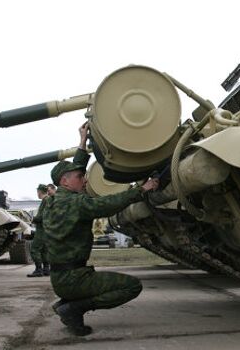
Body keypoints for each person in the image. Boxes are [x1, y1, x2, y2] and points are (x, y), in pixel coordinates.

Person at [44, 122, 159, 336]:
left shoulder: (53, 201)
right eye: (80, 177)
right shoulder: (75, 204)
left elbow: (74, 175)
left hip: (61, 276)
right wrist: (142, 189)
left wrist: (82, 142)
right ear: (65, 181)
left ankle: (69, 306)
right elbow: (108, 204)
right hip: (74, 278)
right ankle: (73, 308)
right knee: (132, 286)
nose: (85, 178)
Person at [27, 184, 51, 277]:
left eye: (37, 191)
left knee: (34, 249)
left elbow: (43, 216)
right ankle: (46, 269)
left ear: (39, 191)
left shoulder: (45, 201)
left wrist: (33, 219)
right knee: (44, 250)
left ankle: (38, 270)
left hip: (42, 229)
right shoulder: (48, 200)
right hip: (46, 229)